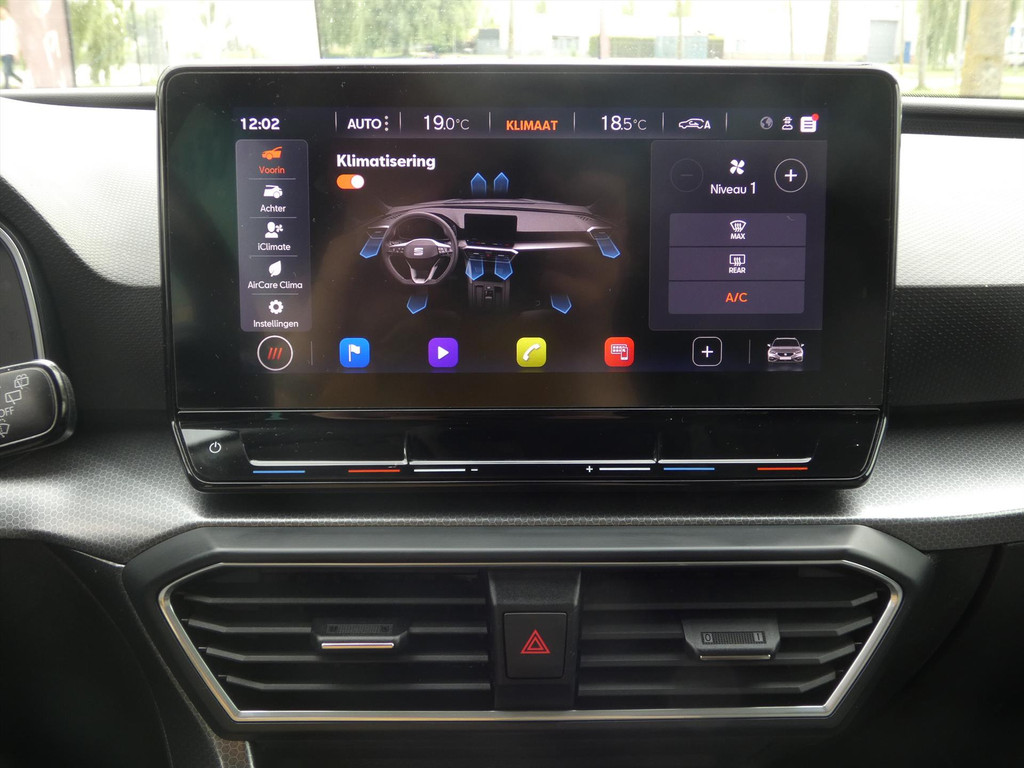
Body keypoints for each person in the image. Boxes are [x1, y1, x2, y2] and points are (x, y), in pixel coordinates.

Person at [0, 6, 23, 89]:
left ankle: (7, 88)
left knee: (6, 70)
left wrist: (17, 52)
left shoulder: (11, 23)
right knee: (9, 71)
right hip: (3, 52)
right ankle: (21, 81)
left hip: (10, 51)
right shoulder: (1, 24)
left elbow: (15, 38)